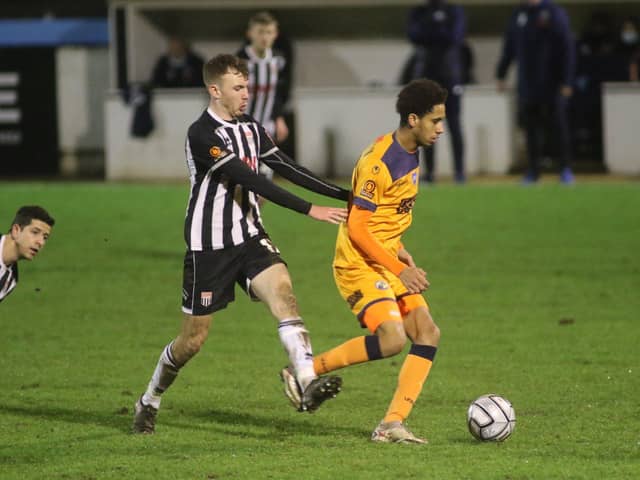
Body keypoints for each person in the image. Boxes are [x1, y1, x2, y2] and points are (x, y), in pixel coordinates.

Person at [132, 54, 350, 434]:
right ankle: (149, 399)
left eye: (247, 86)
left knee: (284, 293)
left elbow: (285, 166)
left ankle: (305, 376)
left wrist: (343, 194)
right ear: (215, 91)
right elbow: (251, 180)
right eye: (238, 87)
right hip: (209, 246)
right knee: (192, 340)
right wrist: (308, 209)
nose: (247, 94)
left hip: (249, 234)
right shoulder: (202, 135)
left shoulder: (250, 127)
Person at [281, 79, 446, 444]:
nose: (441, 129)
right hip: (358, 261)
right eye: (435, 121)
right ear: (413, 119)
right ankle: (304, 371)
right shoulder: (379, 163)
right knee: (391, 339)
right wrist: (400, 267)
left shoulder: (410, 150)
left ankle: (391, 425)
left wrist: (398, 247)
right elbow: (357, 228)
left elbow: (388, 213)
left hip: (386, 255)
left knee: (427, 333)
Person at [496, 0, 576, 184]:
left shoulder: (554, 13)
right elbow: (509, 47)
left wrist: (567, 80)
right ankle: (533, 171)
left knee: (558, 127)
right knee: (531, 129)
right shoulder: (518, 14)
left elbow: (567, 48)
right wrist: (501, 74)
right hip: (527, 83)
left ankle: (565, 169)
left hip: (552, 82)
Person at [405, 0, 466, 184]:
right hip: (426, 79)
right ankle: (430, 173)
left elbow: (455, 37)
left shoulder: (454, 11)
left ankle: (459, 173)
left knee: (454, 125)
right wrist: (438, 28)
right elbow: (413, 35)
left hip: (450, 77)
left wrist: (431, 31)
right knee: (426, 128)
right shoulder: (419, 12)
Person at [237, 11, 291, 180]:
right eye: (260, 32)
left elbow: (278, 93)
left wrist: (279, 117)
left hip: (267, 127)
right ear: (250, 33)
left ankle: (250, 207)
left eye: (268, 32)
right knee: (245, 180)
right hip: (241, 127)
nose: (264, 37)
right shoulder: (239, 60)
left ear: (275, 34)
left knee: (265, 182)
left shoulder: (278, 60)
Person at [1, 206, 54, 303]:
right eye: (35, 232)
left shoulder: (10, 280)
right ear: (16, 230)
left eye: (45, 237)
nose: (41, 242)